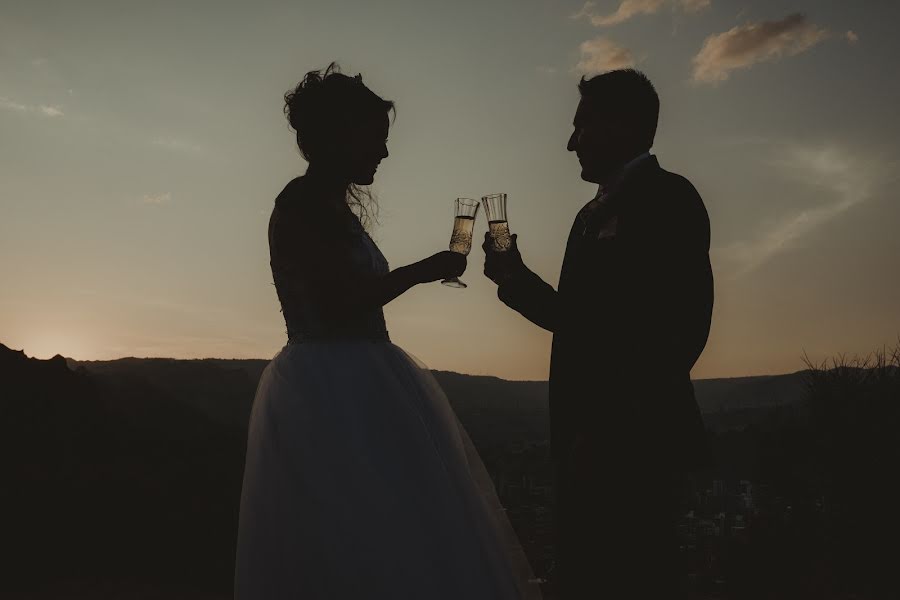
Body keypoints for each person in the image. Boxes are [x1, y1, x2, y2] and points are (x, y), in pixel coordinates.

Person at [235, 63, 541, 600]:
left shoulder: (330, 204)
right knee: (359, 521)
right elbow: (339, 303)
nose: (383, 152)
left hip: (354, 374)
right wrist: (422, 271)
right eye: (375, 139)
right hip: (333, 386)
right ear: (339, 135)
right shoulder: (302, 204)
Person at [483, 69, 713, 599]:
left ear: (622, 126)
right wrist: (514, 278)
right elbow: (581, 322)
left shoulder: (670, 198)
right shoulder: (587, 216)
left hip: (634, 440)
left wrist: (608, 427)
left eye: (580, 127)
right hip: (581, 436)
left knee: (636, 574)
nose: (569, 143)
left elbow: (679, 330)